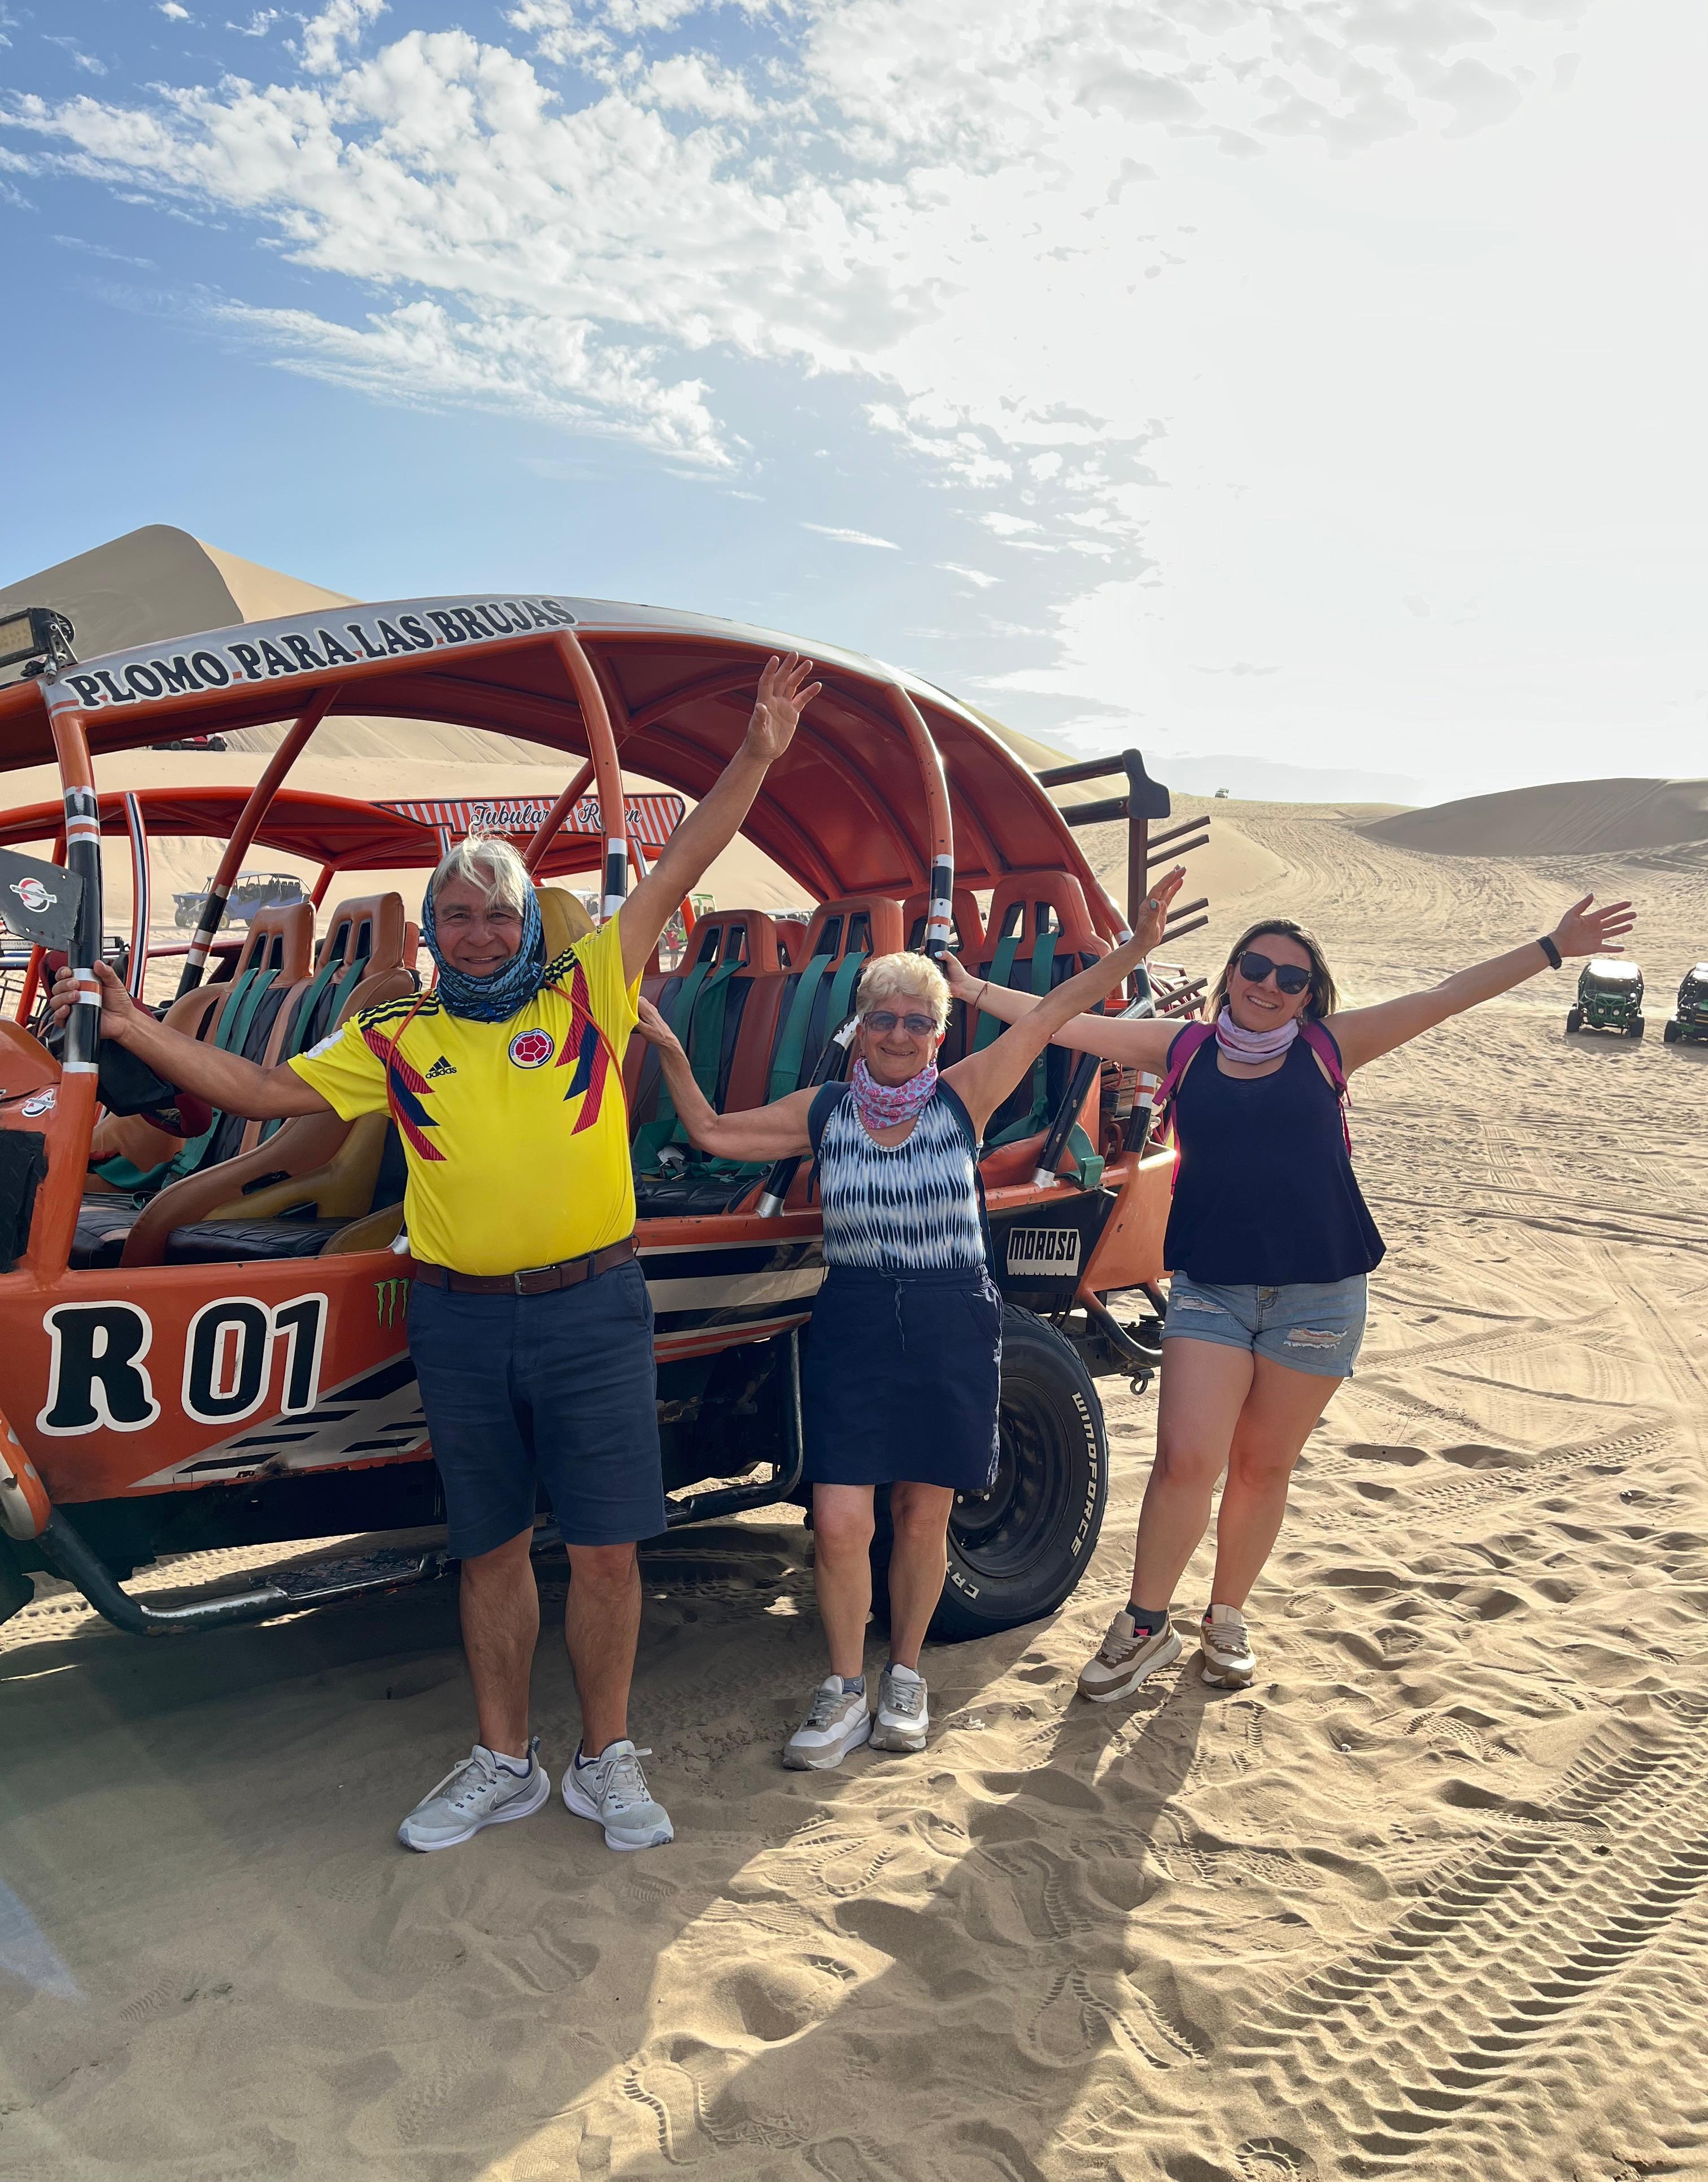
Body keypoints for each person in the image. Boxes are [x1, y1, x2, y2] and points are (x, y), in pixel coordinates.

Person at [51, 654, 822, 1853]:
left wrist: (759, 754)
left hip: (595, 1306)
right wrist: (141, 1024)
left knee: (611, 1547)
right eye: (453, 914)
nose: (474, 933)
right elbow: (262, 1084)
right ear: (435, 927)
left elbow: (680, 869)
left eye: (496, 913)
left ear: (527, 921)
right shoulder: (396, 1032)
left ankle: (606, 1758)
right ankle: (503, 1759)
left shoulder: (589, 993)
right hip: (460, 1316)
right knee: (490, 1547)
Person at [945, 891, 1636, 1703]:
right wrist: (968, 988)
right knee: (1183, 1462)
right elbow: (1060, 1021)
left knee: (1262, 1466)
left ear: (1311, 995)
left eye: (1291, 978)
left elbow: (1447, 997)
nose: (1270, 985)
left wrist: (1551, 949)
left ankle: (1227, 1616)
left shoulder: (1327, 1048)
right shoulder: (1186, 1048)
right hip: (1212, 1288)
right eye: (1257, 966)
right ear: (1233, 971)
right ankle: (1144, 1626)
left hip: (1321, 1294)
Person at [637, 868, 1187, 1769]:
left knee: (923, 1517)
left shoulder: (961, 1096)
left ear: (939, 1032)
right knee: (842, 1521)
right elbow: (711, 1134)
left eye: (917, 1020)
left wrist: (1133, 952)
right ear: (861, 1024)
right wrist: (666, 1045)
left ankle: (905, 1674)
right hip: (853, 1322)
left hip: (949, 1320)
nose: (899, 1034)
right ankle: (845, 1685)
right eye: (884, 1017)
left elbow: (1051, 1015)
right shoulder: (824, 1111)